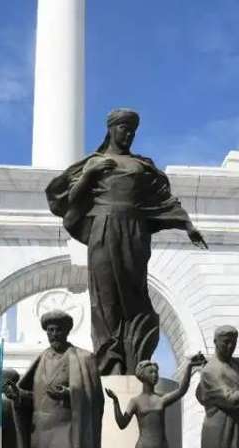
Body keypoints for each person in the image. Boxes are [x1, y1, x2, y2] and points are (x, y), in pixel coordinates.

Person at [44, 107, 209, 376]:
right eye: (124, 128)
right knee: (104, 297)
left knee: (136, 296)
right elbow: (66, 200)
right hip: (103, 230)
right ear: (111, 129)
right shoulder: (93, 162)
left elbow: (163, 199)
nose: (128, 134)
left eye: (133, 130)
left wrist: (187, 225)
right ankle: (111, 363)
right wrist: (89, 174)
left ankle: (137, 359)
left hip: (134, 234)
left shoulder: (142, 165)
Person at [7, 310, 105, 448]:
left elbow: (96, 398)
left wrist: (70, 394)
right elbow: (34, 397)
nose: (53, 333)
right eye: (50, 330)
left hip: (69, 435)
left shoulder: (83, 358)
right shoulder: (41, 358)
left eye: (58, 329)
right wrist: (19, 396)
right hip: (41, 435)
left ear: (67, 331)